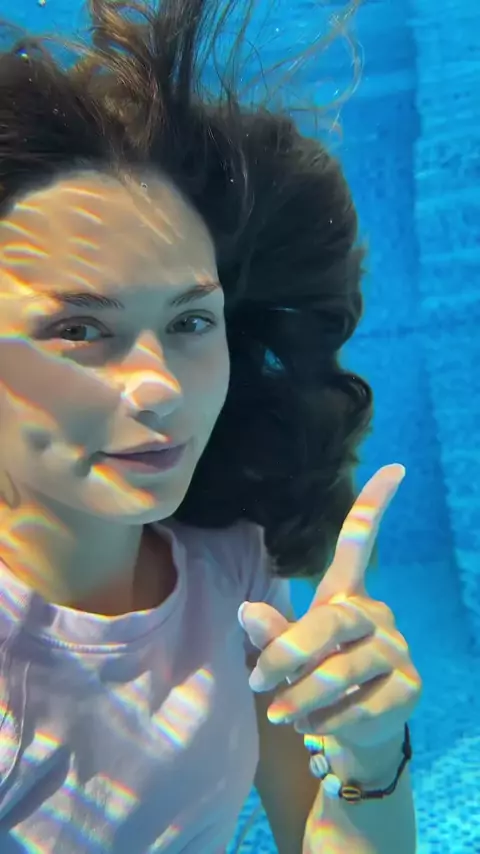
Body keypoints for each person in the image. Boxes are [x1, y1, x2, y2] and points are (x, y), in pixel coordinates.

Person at [0, 1, 421, 852]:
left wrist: (370, 754)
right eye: (79, 328)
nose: (159, 384)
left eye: (191, 321)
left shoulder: (231, 570)